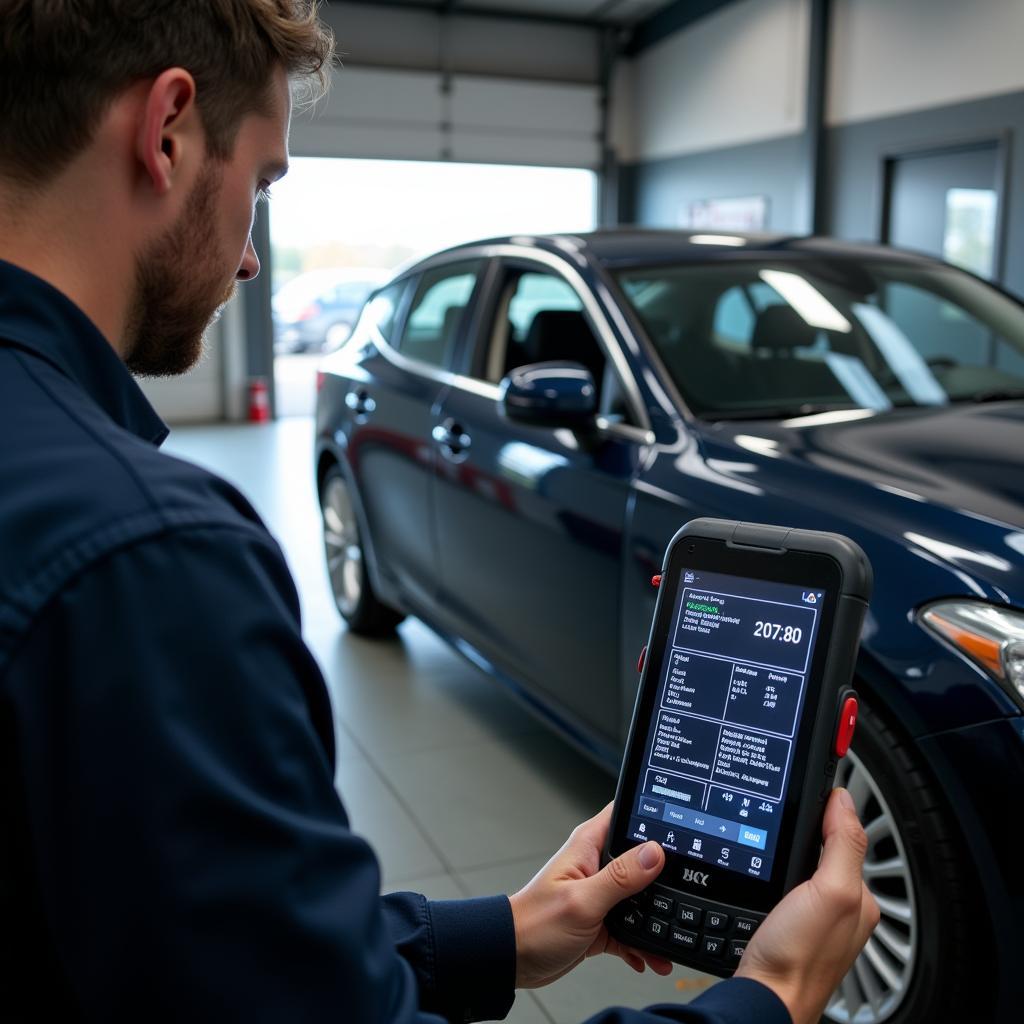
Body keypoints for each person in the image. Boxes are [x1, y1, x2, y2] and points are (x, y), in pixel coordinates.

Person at [0, 2, 879, 1021]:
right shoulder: (146, 556)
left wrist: (500, 932)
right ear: (168, 132)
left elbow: (166, 933)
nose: (248, 259)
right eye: (264, 180)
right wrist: (769, 995)